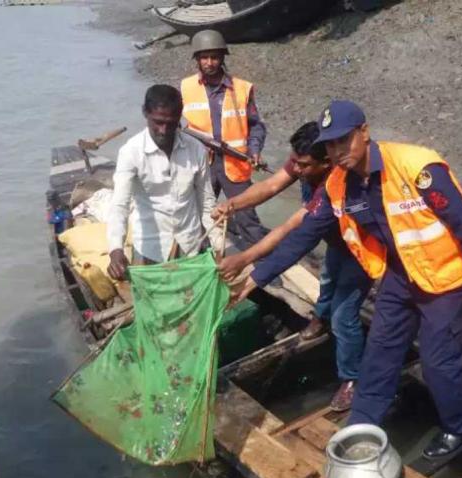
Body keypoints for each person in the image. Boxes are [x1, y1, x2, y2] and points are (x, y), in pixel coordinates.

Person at [230, 100, 462, 460]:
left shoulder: (417, 168)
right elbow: (303, 236)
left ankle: (459, 428)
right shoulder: (338, 186)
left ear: (364, 132)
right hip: (398, 277)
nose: (338, 151)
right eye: (330, 145)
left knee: (439, 363)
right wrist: (257, 275)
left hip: (444, 282)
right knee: (379, 354)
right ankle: (361, 427)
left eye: (344, 140)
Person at [215, 122, 372, 411]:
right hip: (337, 242)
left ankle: (352, 379)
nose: (296, 169)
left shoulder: (334, 187)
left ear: (327, 162)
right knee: (327, 282)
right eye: (295, 162)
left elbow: (294, 236)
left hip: (361, 249)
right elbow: (271, 185)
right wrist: (233, 204)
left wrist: (248, 269)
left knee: (344, 316)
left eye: (304, 165)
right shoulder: (305, 162)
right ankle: (319, 319)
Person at [106, 84, 223, 280]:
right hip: (150, 248)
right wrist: (116, 249)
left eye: (170, 123)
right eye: (157, 122)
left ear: (180, 117)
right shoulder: (131, 152)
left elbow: (206, 202)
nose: (163, 130)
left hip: (190, 245)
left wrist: (218, 244)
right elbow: (120, 205)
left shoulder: (196, 149)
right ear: (145, 113)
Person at [180, 29, 269, 251]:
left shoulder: (242, 88)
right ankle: (196, 257)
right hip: (201, 163)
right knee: (194, 214)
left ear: (222, 58)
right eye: (204, 57)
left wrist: (255, 150)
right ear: (197, 59)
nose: (209, 62)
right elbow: (177, 126)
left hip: (235, 163)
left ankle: (262, 260)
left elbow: (256, 125)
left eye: (214, 57)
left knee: (246, 215)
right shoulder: (186, 87)